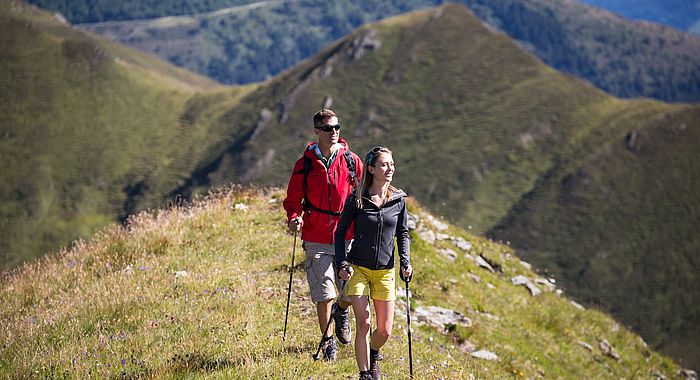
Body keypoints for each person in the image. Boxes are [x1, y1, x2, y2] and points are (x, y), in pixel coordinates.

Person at [283, 109, 363, 361]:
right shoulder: (304, 164)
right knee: (324, 292)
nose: (334, 132)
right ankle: (328, 342)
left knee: (350, 291)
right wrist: (294, 218)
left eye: (337, 127)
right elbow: (293, 199)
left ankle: (341, 311)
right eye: (328, 128)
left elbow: (363, 195)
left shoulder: (352, 161)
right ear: (317, 131)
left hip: (347, 234)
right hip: (316, 235)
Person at [335, 146, 413, 380]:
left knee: (385, 331)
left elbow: (403, 233)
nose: (390, 168)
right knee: (364, 324)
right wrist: (342, 263)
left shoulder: (398, 200)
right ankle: (365, 373)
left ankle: (373, 352)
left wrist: (405, 261)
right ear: (371, 169)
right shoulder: (357, 198)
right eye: (384, 164)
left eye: (391, 164)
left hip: (385, 271)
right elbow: (339, 234)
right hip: (358, 268)